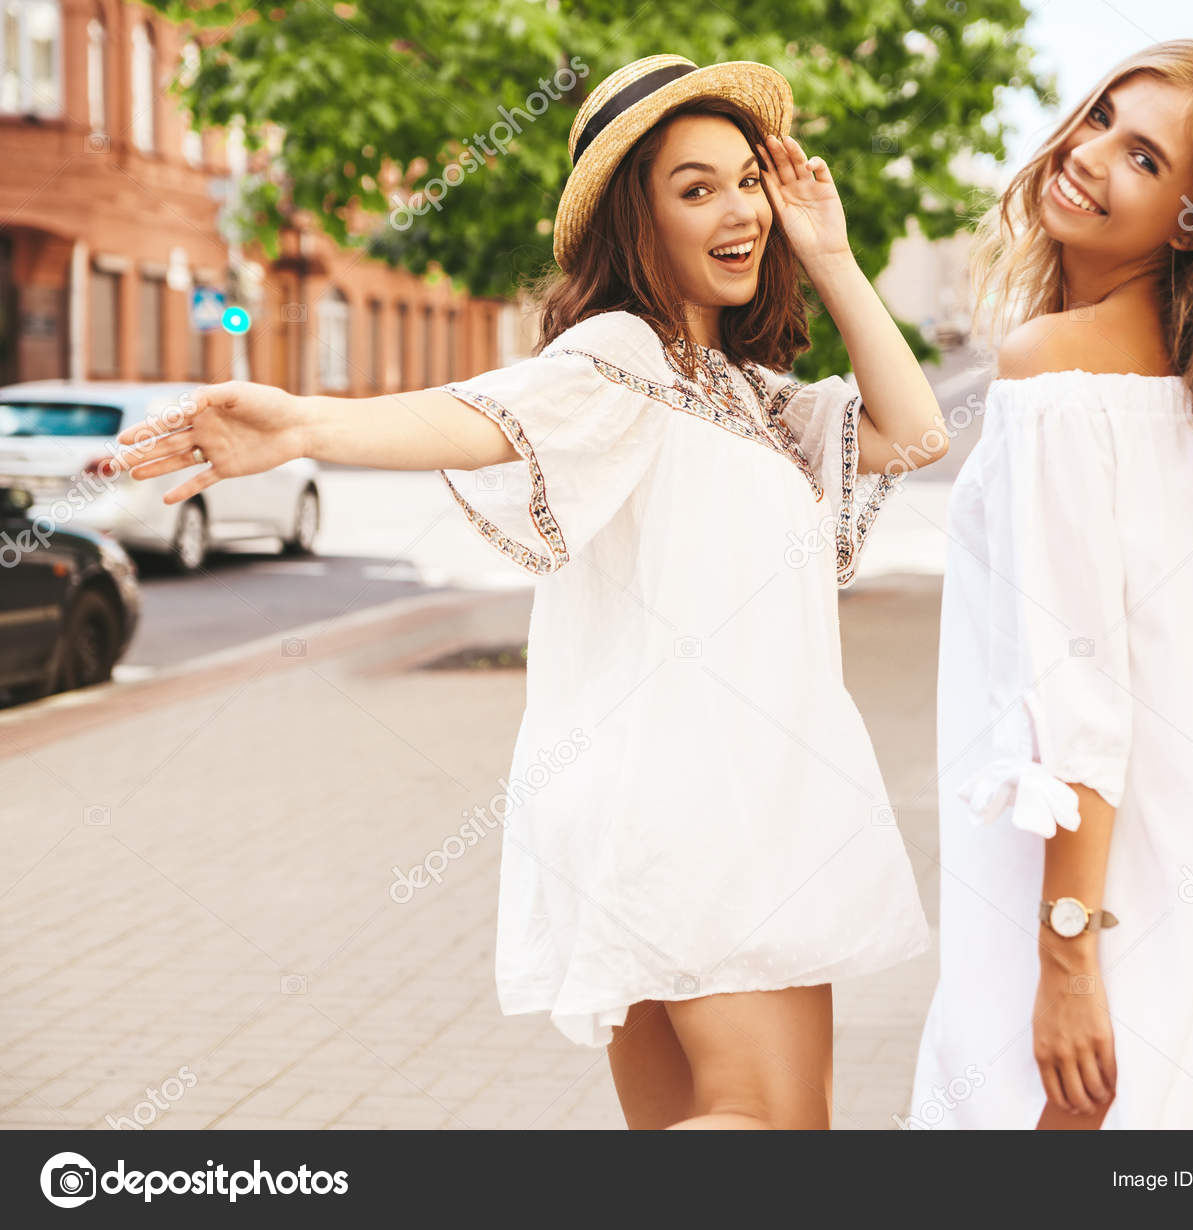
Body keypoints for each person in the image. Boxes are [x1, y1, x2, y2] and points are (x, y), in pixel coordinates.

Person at [110, 54, 945, 1131]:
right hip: (700, 810)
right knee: (772, 1124)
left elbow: (914, 432)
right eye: (695, 189)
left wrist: (828, 251)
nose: (738, 209)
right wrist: (311, 424)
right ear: (631, 224)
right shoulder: (617, 354)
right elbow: (483, 412)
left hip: (706, 808)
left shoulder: (741, 395)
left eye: (747, 180)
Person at [910, 39, 1193, 1130]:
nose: (1084, 153)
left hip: (1094, 887)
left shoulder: (1058, 374)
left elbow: (1074, 700)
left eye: (1141, 158)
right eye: (1096, 117)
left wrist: (1068, 956)